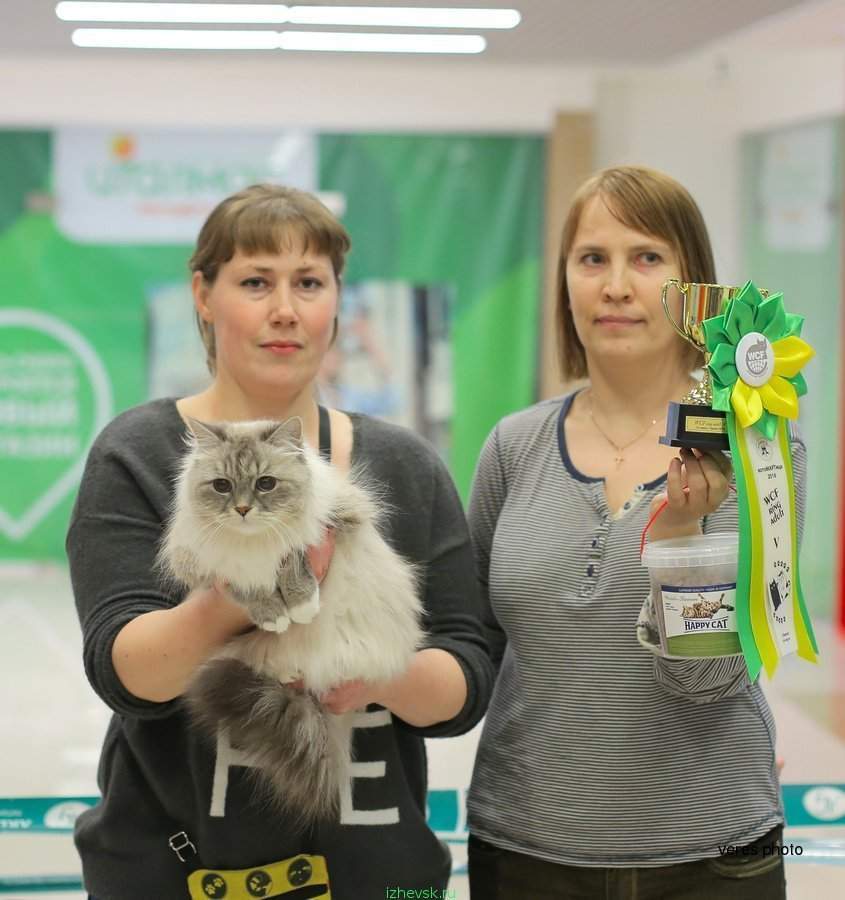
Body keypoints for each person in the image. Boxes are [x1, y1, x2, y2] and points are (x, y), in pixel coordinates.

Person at [66, 183, 494, 899]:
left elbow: (466, 678)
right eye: (256, 282)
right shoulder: (136, 453)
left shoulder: (406, 465)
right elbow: (126, 674)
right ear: (203, 295)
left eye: (309, 283)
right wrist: (247, 597)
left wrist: (368, 676)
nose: (285, 310)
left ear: (337, 299)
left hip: (376, 874)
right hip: (177, 871)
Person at [466, 166, 801, 899]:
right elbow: (468, 648)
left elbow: (707, 679)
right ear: (565, 282)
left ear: (694, 286)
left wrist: (680, 533)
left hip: (710, 858)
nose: (615, 286)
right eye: (592, 259)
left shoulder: (753, 449)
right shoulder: (513, 446)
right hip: (523, 848)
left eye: (646, 258)